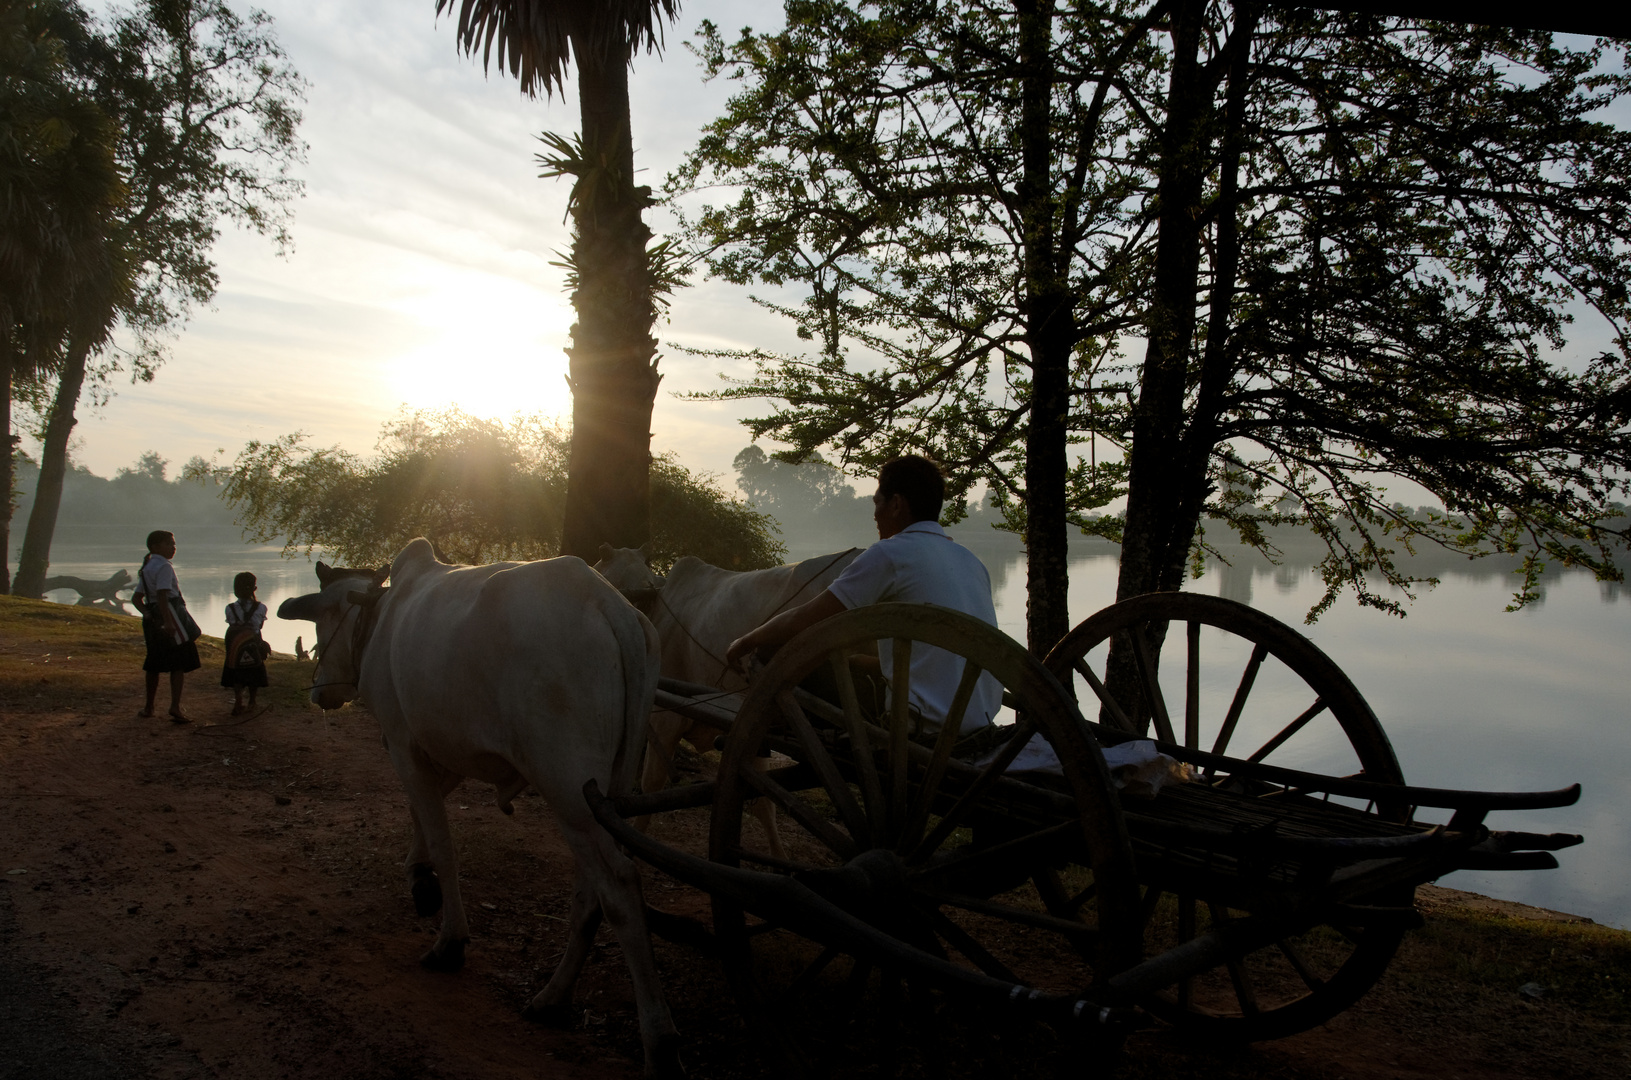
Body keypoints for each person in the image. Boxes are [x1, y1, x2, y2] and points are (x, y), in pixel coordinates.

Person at [725, 454, 1002, 737]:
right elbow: (939, 656)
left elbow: (806, 618)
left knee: (770, 653)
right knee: (853, 663)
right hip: (974, 721)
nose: (874, 515)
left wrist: (747, 639)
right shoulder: (971, 561)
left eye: (877, 503)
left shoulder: (891, 553)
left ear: (895, 505)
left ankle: (764, 737)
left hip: (922, 724)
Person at [132, 530, 200, 722]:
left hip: (154, 617)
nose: (173, 547)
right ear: (155, 547)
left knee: (153, 661)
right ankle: (175, 706)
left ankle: (149, 707)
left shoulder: (147, 568)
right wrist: (169, 622)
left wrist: (147, 614)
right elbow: (163, 595)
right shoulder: (164, 567)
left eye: (173, 544)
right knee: (178, 662)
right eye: (169, 544)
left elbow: (137, 598)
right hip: (170, 614)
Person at [221, 572, 270, 715]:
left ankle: (238, 700)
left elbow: (231, 623)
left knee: (236, 669)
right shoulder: (261, 607)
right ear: (254, 589)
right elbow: (259, 626)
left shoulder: (229, 608)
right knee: (254, 669)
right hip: (252, 640)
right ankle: (252, 701)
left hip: (234, 641)